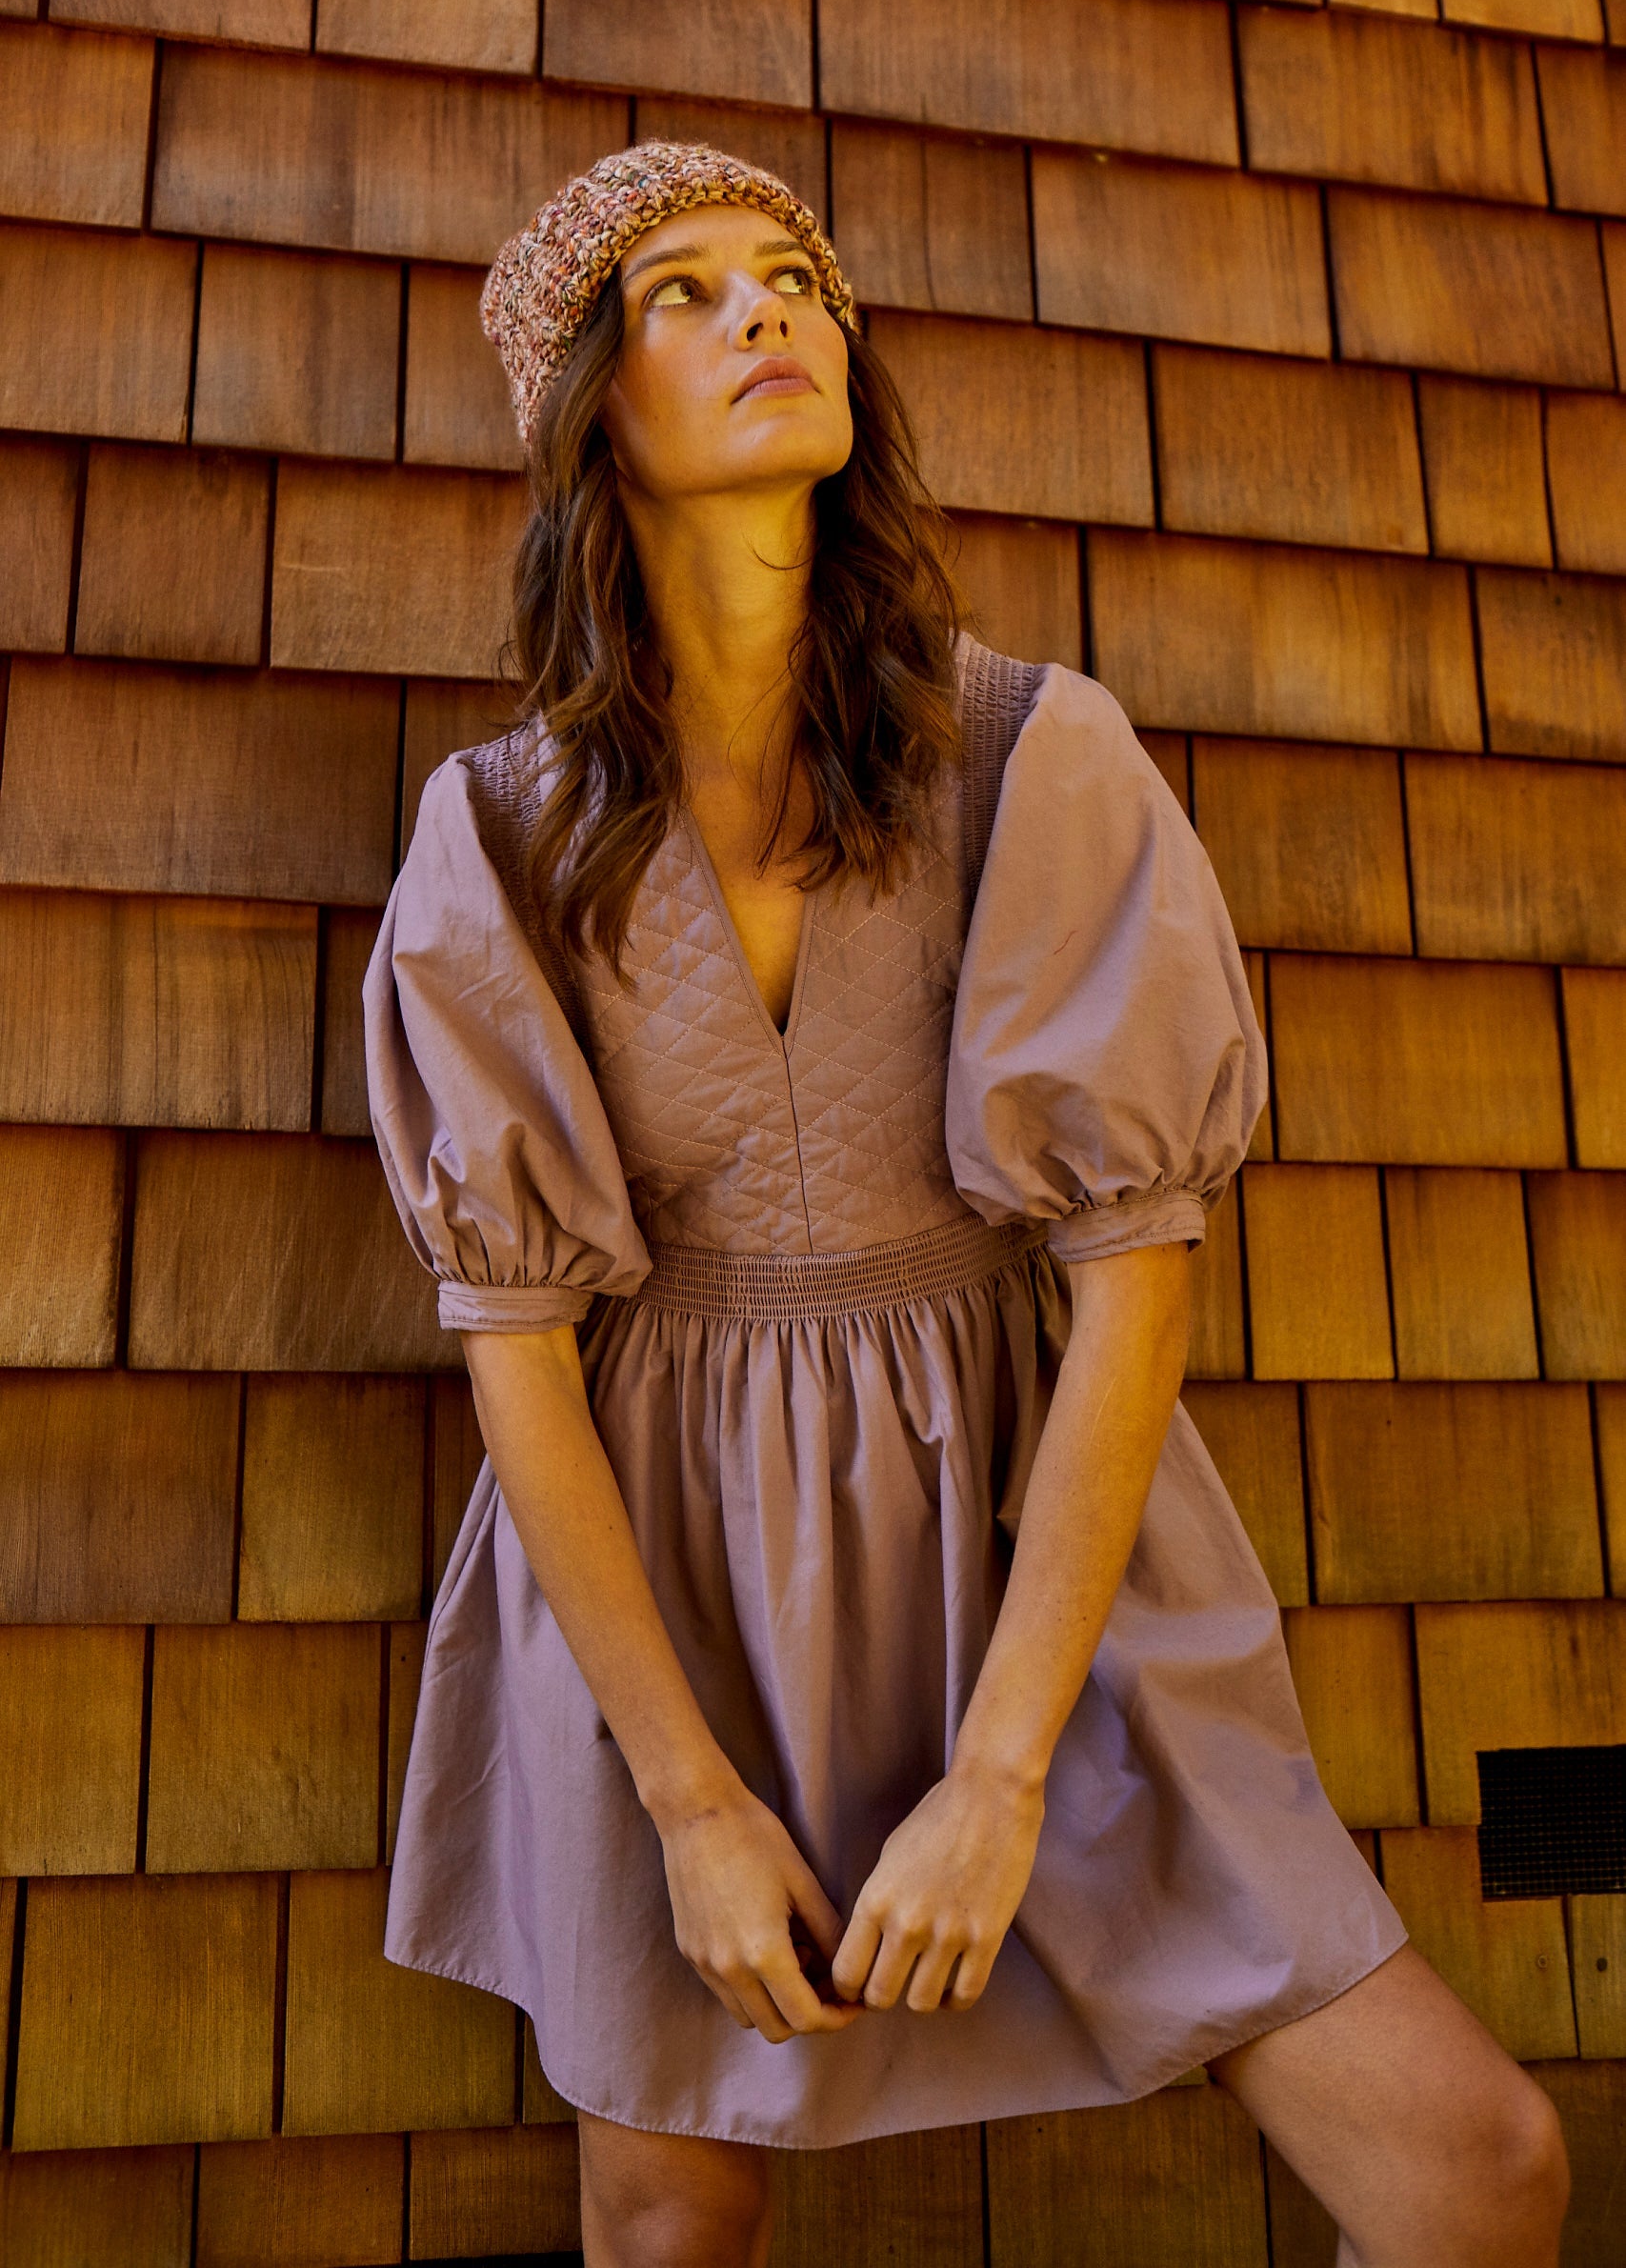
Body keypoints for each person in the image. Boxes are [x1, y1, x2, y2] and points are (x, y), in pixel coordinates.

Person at [364, 143, 1568, 2268]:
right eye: (683, 292)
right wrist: (689, 1800)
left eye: (793, 276)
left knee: (1476, 2169)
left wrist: (1005, 1772)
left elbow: (1132, 1283)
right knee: (670, 2214)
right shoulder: (501, 837)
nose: (767, 309)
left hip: (1040, 1540)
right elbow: (517, 1347)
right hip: (669, 1582)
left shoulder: (1027, 755)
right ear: (586, 416)